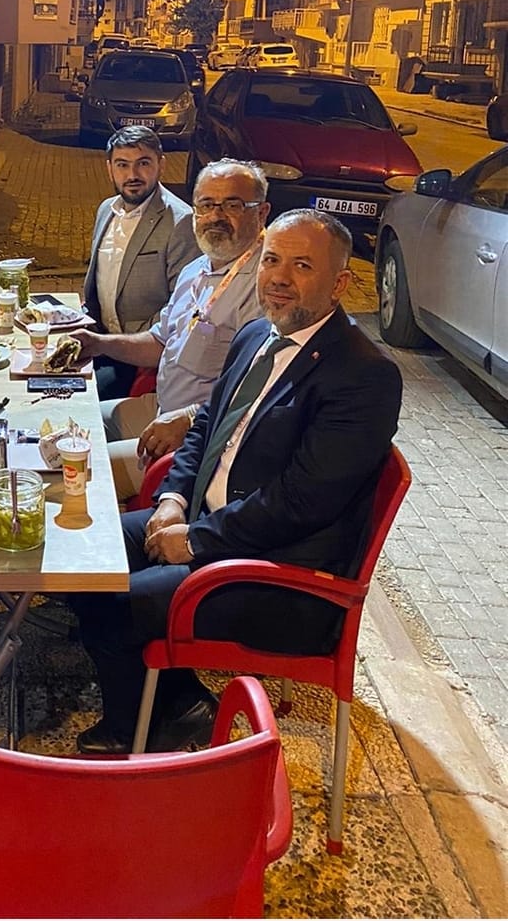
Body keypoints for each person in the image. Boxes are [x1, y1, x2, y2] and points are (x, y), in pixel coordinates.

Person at [71, 210, 403, 755]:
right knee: (81, 557)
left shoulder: (363, 375)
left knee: (113, 603)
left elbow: (302, 502)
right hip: (215, 524)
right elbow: (205, 426)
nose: (279, 278)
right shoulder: (256, 335)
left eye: (302, 266)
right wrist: (173, 500)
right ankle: (183, 701)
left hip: (281, 573)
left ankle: (138, 729)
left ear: (340, 283)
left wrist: (196, 540)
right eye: (272, 260)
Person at [72, 160, 269, 501]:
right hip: (160, 407)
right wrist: (98, 343)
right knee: (71, 423)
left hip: (200, 435)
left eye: (232, 205)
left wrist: (190, 419)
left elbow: (259, 390)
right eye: (206, 205)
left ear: (262, 212)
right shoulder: (196, 269)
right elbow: (159, 342)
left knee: (76, 472)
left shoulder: (264, 288)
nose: (216, 216)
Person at [82, 125, 198, 400]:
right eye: (122, 165)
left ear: (161, 164)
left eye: (143, 163)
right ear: (109, 168)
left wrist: (114, 344)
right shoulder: (106, 210)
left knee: (81, 400)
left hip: (141, 360)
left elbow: (182, 307)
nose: (132, 175)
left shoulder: (181, 222)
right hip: (100, 341)